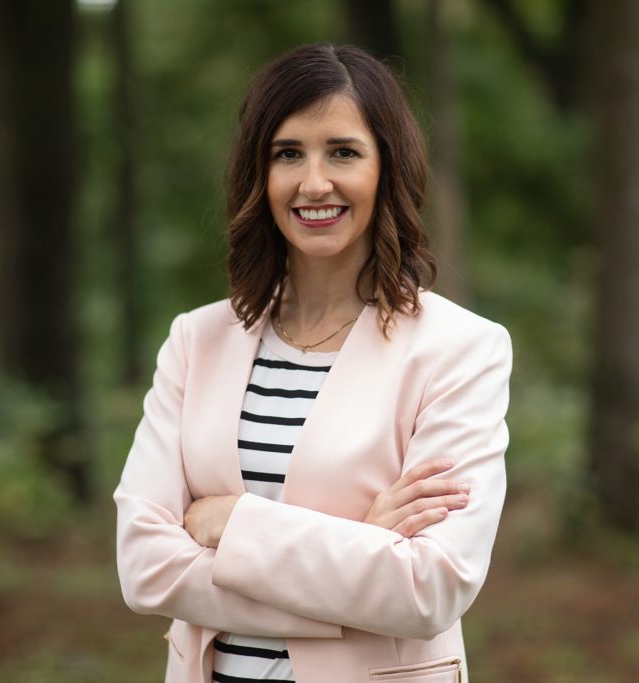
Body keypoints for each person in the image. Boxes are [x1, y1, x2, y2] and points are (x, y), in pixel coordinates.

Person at [114, 43, 511, 683]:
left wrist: (228, 522)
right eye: (288, 153)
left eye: (344, 152)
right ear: (259, 173)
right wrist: (359, 552)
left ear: (387, 168)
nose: (314, 182)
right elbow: (144, 568)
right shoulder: (197, 339)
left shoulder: (460, 349)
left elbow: (429, 589)